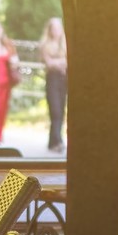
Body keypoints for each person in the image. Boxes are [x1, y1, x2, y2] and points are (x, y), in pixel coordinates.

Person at [39, 17, 68, 152]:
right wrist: (61, 62)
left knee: (61, 111)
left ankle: (53, 141)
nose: (56, 31)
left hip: (63, 79)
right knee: (55, 110)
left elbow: (68, 62)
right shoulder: (45, 45)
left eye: (58, 28)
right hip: (52, 79)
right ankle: (58, 141)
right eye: (54, 28)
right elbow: (49, 63)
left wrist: (58, 62)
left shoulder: (65, 44)